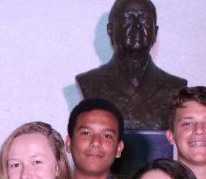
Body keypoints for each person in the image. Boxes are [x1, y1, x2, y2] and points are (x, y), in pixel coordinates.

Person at [75, 0, 187, 130]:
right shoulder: (89, 83)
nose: (137, 25)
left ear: (155, 32)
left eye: (144, 19)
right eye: (128, 18)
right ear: (110, 30)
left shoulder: (175, 87)